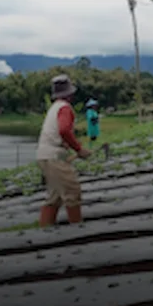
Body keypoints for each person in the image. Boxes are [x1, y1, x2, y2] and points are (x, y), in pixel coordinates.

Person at [36, 74, 91, 226]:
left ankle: (44, 231)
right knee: (72, 192)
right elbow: (64, 130)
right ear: (70, 94)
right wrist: (79, 149)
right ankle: (77, 229)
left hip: (44, 155)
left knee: (54, 197)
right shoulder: (65, 108)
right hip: (54, 157)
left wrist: (72, 147)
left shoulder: (55, 108)